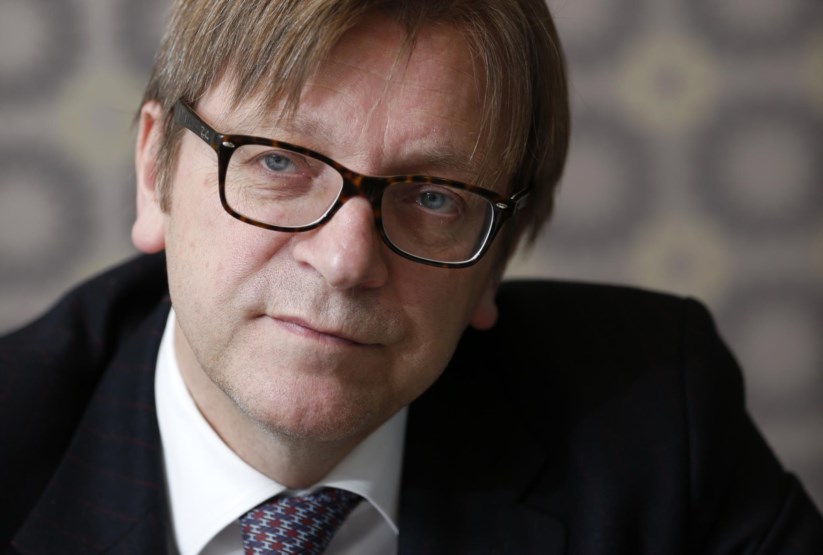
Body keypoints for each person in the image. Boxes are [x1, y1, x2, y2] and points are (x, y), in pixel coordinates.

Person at [1, 0, 822, 553]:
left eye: (434, 195)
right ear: (155, 172)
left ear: (495, 257)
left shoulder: (651, 425)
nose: (345, 258)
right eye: (280, 161)